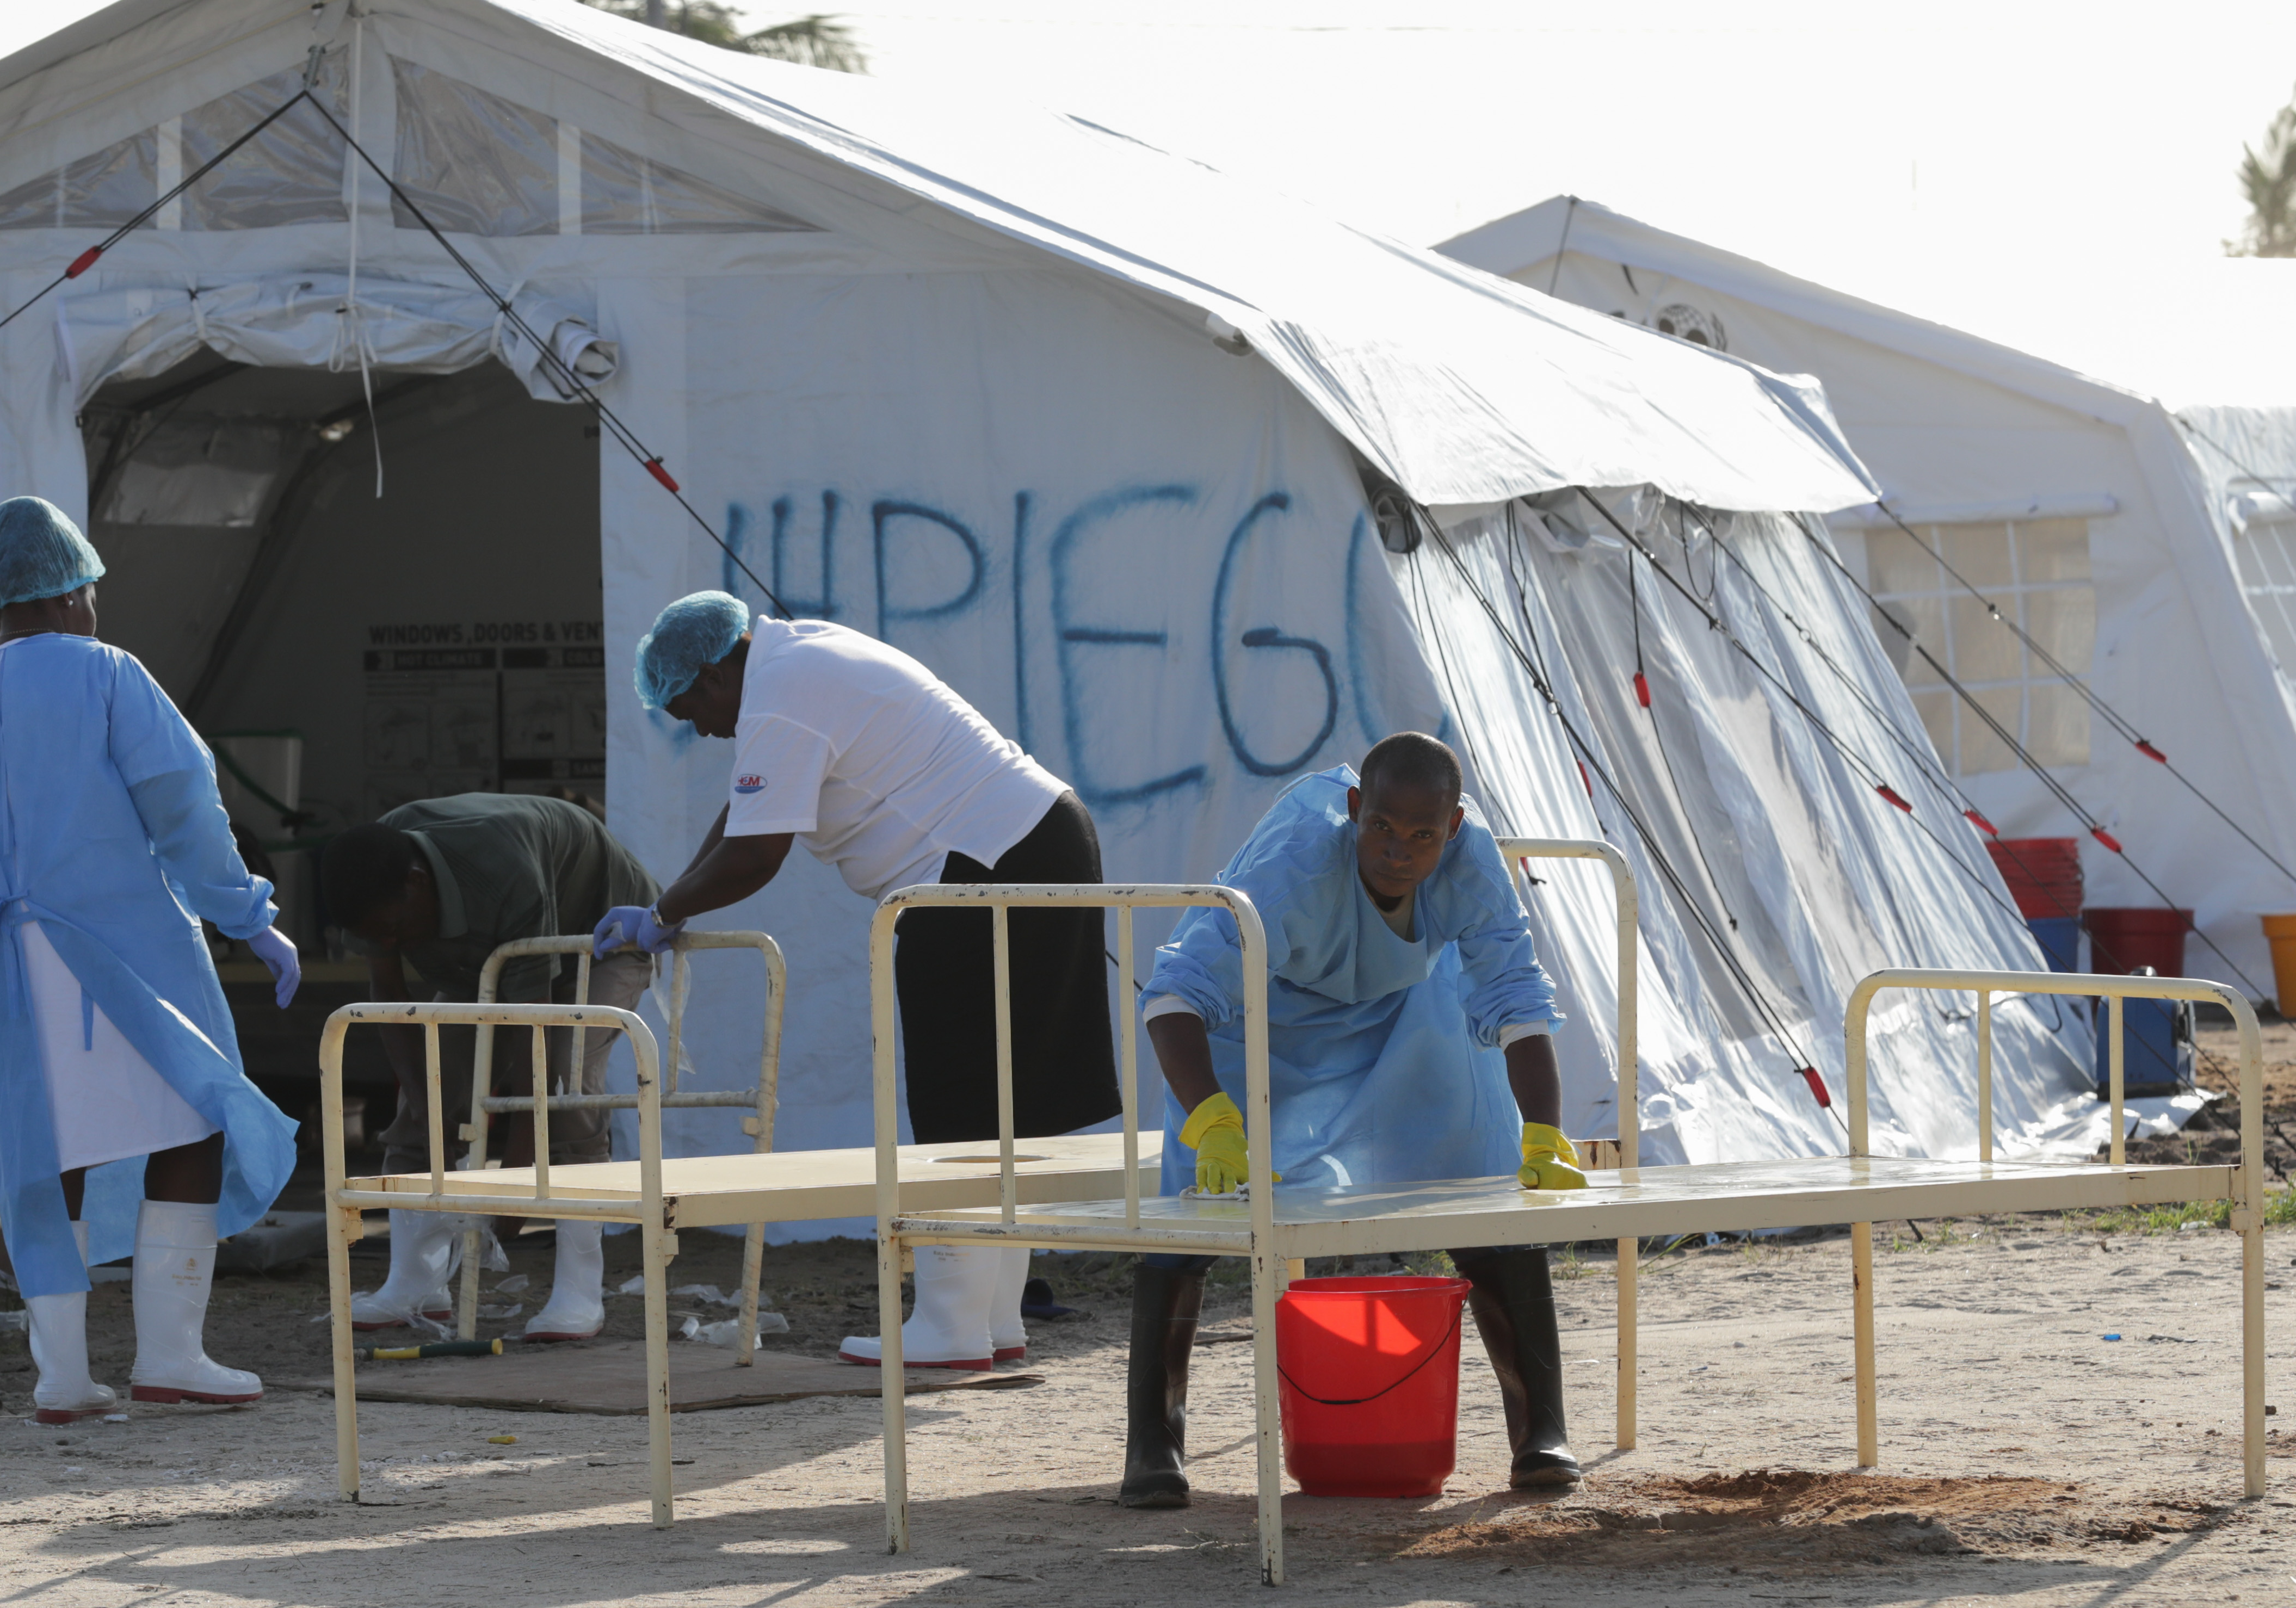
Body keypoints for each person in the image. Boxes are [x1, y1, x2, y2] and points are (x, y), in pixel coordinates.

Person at [606, 590, 1120, 1371]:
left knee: (962, 1098)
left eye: (691, 711)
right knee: (1008, 1102)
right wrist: (668, 901)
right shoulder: (796, 658)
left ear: (713, 673)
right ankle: (993, 1317)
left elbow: (756, 855)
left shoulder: (781, 695)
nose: (704, 730)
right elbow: (744, 812)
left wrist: (663, 912)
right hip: (1034, 838)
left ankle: (949, 1322)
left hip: (975, 867)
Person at [0, 496, 302, 1425]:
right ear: (73, 593)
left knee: (42, 1156)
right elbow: (185, 810)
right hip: (126, 958)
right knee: (190, 1130)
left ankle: (62, 1377)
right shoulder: (112, 677)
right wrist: (248, 916)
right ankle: (171, 1356)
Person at [1121, 732, 1587, 1507]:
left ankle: (1541, 1431)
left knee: (1489, 1191)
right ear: (1351, 811)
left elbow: (1515, 997)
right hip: (1257, 1036)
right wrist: (1212, 1120)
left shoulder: (1473, 869)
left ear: (1455, 828)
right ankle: (1153, 1447)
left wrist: (1544, 1128)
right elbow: (1174, 999)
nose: (1399, 851)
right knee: (1189, 1223)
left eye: (1423, 835)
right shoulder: (1292, 870)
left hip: (1399, 1020)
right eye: (1380, 827)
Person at [323, 793, 659, 1342]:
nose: (388, 943)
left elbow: (535, 1051)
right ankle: (415, 1284)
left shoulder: (502, 865)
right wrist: (427, 1107)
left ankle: (580, 1293)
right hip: (487, 952)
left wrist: (513, 1194)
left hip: (604, 935)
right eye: (376, 936)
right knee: (428, 1092)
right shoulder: (374, 881)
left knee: (568, 1090)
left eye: (394, 929)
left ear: (417, 881)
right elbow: (389, 996)